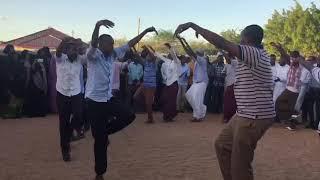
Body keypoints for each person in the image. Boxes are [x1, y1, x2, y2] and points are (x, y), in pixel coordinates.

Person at [175, 23, 274, 180]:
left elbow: (222, 42)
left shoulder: (254, 53)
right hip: (244, 113)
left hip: (254, 116)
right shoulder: (252, 55)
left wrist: (195, 27)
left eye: (241, 39)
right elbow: (226, 49)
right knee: (222, 145)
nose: (239, 42)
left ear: (247, 39)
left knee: (240, 164)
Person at [86, 19, 157, 180]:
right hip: (94, 101)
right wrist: (97, 25)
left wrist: (145, 31)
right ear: (101, 44)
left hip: (108, 98)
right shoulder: (92, 55)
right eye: (109, 43)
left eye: (113, 43)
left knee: (129, 115)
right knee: (100, 144)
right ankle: (99, 173)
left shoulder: (114, 54)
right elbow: (92, 43)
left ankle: (103, 133)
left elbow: (130, 42)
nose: (112, 46)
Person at [54, 38, 85, 162]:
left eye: (75, 49)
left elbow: (89, 50)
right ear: (67, 50)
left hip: (76, 93)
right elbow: (58, 50)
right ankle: (65, 150)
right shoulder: (60, 59)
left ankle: (71, 132)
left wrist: (80, 43)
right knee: (63, 122)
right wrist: (66, 40)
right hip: (62, 93)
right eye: (71, 48)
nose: (74, 51)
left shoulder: (80, 60)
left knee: (78, 115)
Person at [271, 43, 309, 124]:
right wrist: (279, 48)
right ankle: (286, 118)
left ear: (298, 58)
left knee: (293, 108)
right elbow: (285, 55)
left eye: (295, 57)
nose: (293, 59)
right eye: (292, 57)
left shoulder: (301, 67)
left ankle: (292, 122)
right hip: (288, 89)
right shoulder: (291, 64)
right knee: (278, 102)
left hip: (295, 91)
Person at [177, 36, 208, 122]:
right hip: (196, 83)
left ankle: (197, 116)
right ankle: (202, 109)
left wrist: (185, 42)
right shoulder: (197, 61)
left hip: (202, 83)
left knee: (197, 99)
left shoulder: (202, 60)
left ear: (200, 54)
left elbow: (191, 53)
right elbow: (189, 52)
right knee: (189, 96)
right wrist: (182, 41)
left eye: (197, 53)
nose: (196, 54)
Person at [151, 43, 181, 122]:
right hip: (167, 84)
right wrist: (152, 49)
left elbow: (174, 56)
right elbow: (159, 56)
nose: (169, 55)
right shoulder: (168, 61)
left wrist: (170, 48)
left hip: (174, 84)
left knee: (171, 101)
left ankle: (169, 117)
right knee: (165, 100)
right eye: (169, 54)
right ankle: (167, 116)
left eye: (170, 54)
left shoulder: (177, 62)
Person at [223, 53, 238, 123]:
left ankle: (231, 118)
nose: (226, 58)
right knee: (227, 102)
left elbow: (228, 60)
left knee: (232, 103)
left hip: (233, 85)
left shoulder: (235, 62)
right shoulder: (227, 64)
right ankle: (227, 117)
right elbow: (224, 72)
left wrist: (221, 50)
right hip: (228, 84)